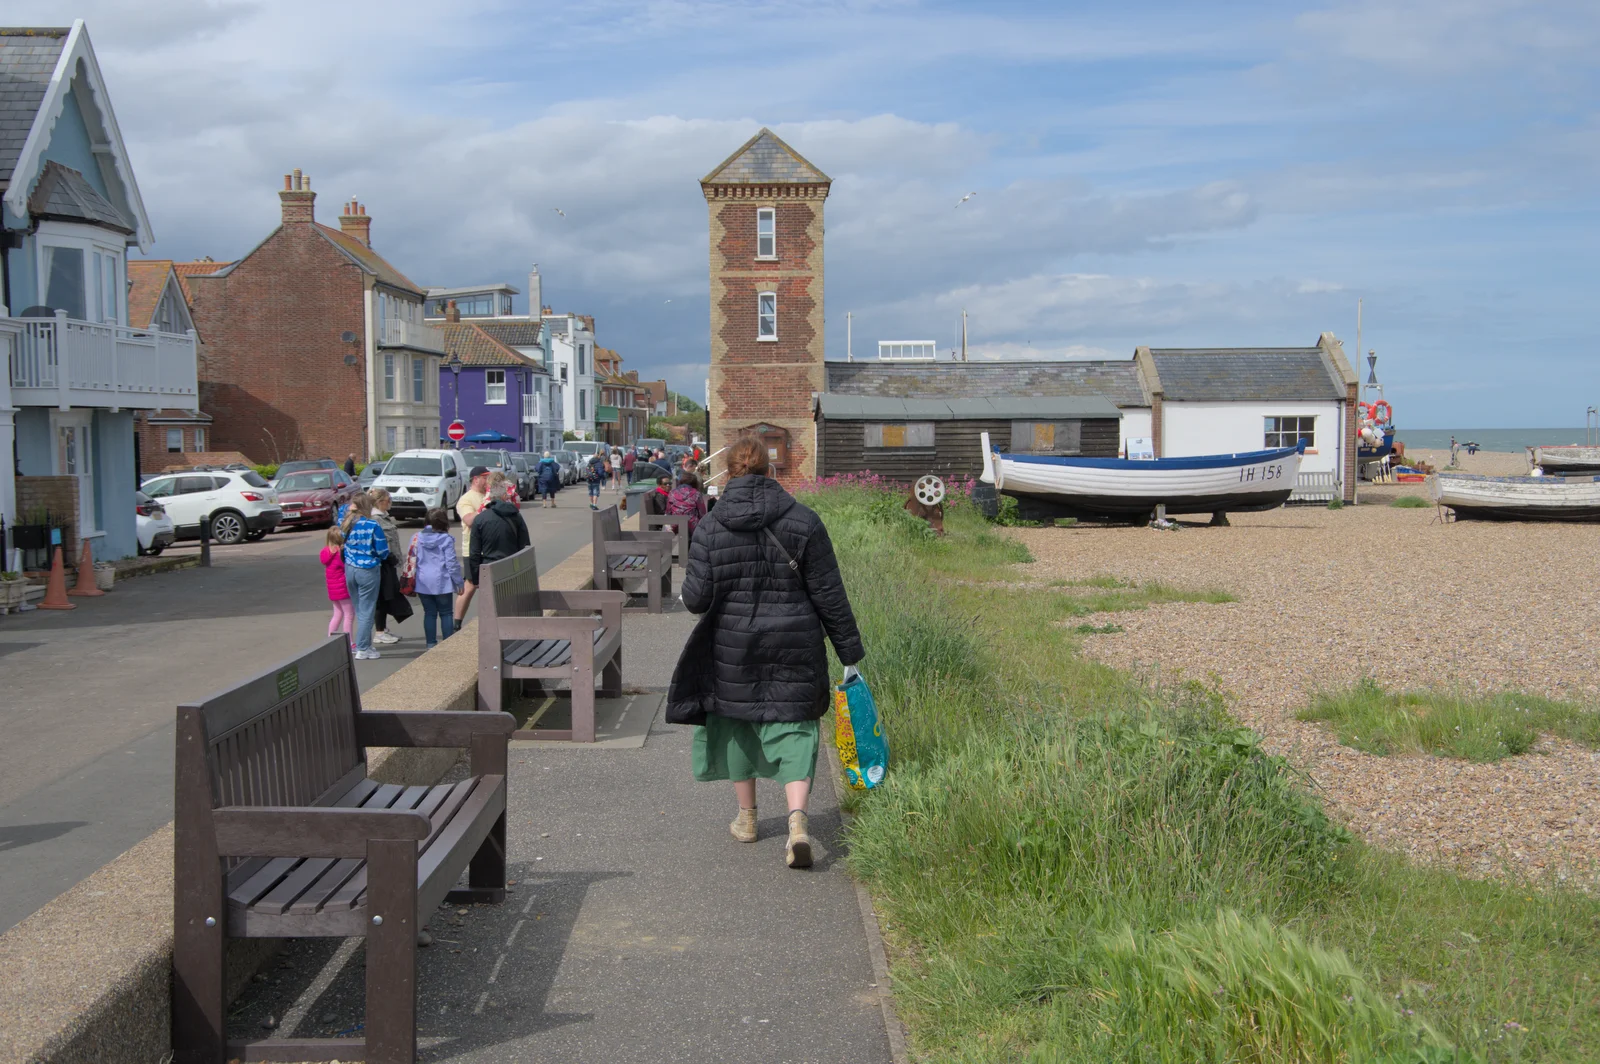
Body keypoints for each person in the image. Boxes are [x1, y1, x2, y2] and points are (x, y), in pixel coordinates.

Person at [667, 435, 864, 869]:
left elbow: (697, 600)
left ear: (731, 472)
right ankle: (797, 822)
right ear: (768, 471)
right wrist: (849, 651)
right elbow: (829, 594)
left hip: (731, 646)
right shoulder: (804, 521)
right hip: (796, 642)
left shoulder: (712, 526)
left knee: (738, 724)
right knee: (793, 724)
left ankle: (748, 819)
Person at [340, 493, 389, 660]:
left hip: (350, 568)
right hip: (368, 569)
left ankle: (365, 645)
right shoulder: (372, 525)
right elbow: (383, 550)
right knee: (367, 609)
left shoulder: (345, 523)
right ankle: (362, 648)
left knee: (359, 608)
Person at [413, 508, 463, 648]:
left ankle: (430, 644)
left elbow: (412, 560)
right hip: (442, 581)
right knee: (446, 613)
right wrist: (458, 581)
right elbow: (451, 563)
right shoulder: (446, 539)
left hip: (422, 581)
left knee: (429, 613)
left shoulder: (417, 537)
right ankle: (447, 643)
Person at [469, 479, 531, 587]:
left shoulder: (480, 519)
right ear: (504, 497)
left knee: (491, 601)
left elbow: (474, 552)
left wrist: (476, 578)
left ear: (490, 497)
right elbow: (525, 544)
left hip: (489, 567)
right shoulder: (516, 516)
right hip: (512, 566)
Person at [454, 466, 490, 627]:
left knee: (488, 587)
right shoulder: (466, 499)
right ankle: (456, 624)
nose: (487, 481)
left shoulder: (488, 496)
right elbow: (469, 520)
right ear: (475, 479)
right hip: (473, 550)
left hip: (489, 548)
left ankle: (489, 622)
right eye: (485, 477)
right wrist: (485, 508)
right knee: (470, 586)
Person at [369, 488, 403, 645]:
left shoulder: (383, 517)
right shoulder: (376, 519)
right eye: (389, 500)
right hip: (383, 564)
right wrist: (390, 559)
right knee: (382, 598)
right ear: (381, 502)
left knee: (386, 596)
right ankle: (380, 632)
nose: (390, 503)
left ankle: (382, 628)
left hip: (388, 563)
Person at [321, 526, 353, 648]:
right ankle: (349, 642)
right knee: (349, 615)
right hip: (343, 589)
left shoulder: (326, 552)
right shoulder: (340, 554)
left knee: (337, 613)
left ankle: (330, 638)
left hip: (333, 589)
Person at [665, 470, 708, 538]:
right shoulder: (696, 493)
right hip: (692, 525)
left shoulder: (672, 493)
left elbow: (668, 512)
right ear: (694, 483)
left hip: (676, 525)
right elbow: (702, 514)